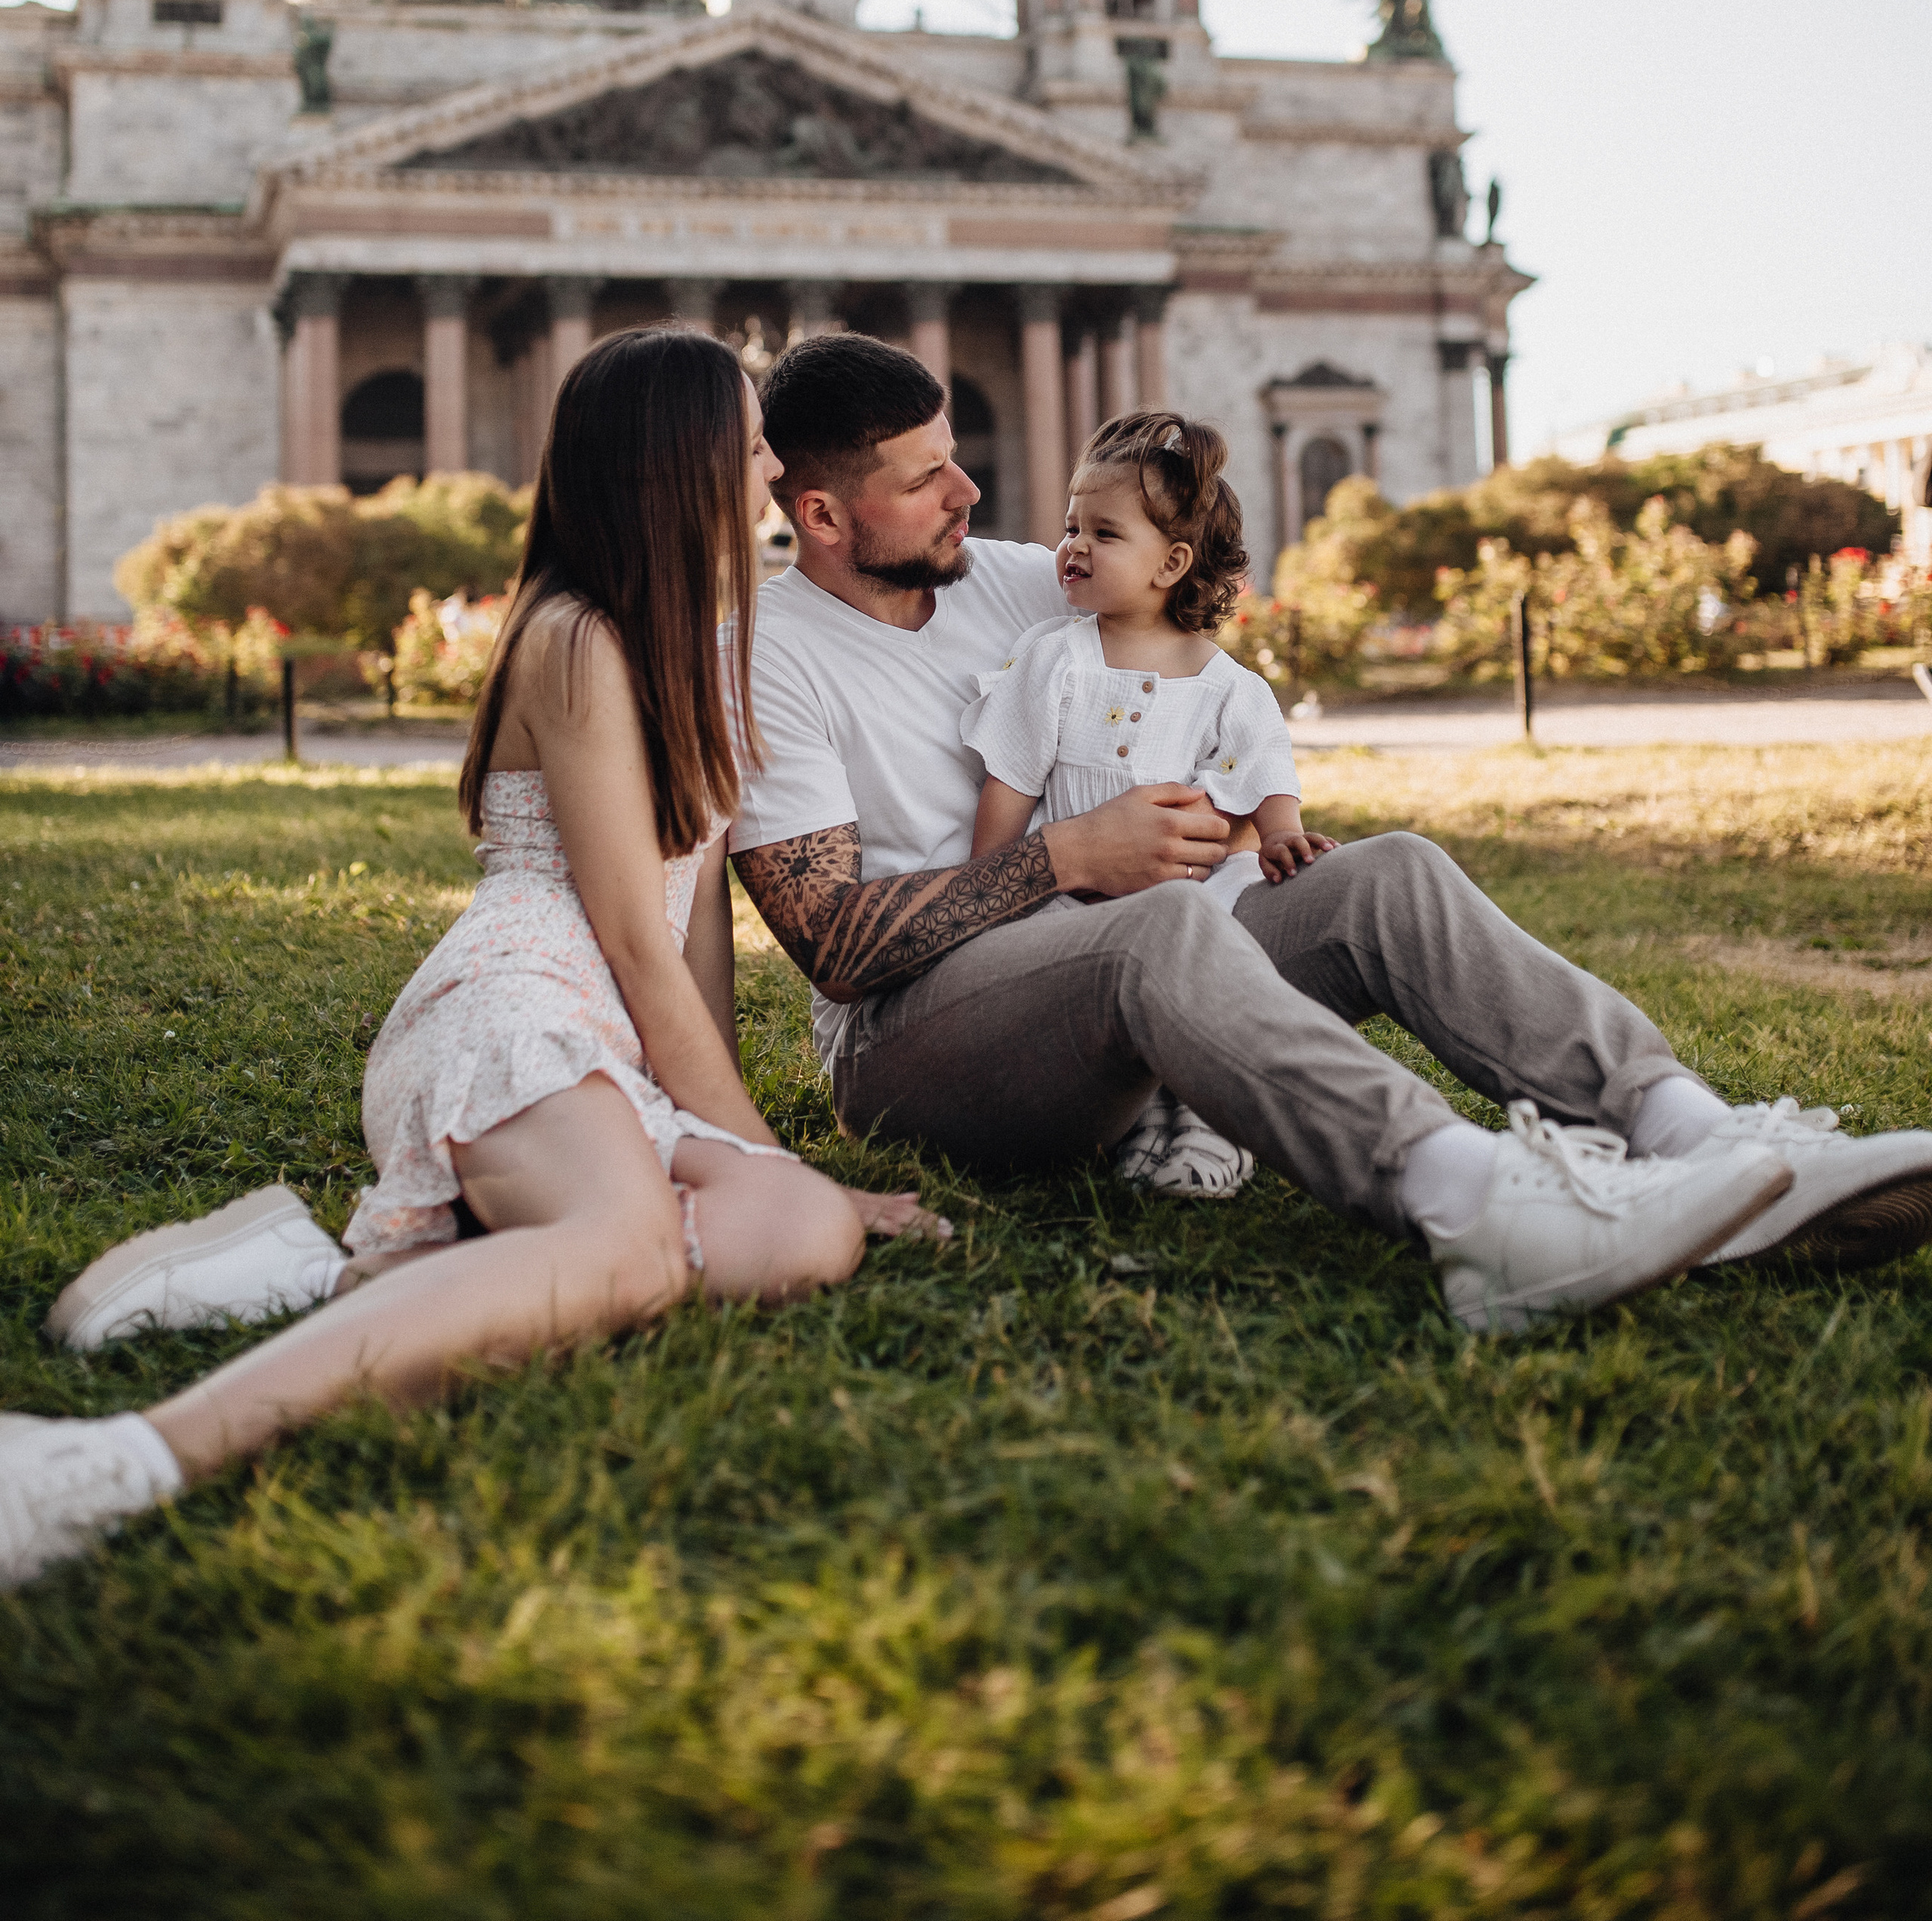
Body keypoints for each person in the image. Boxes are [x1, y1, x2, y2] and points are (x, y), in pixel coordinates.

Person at [728, 334, 1932, 1334]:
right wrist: (1068, 855)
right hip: (916, 1049)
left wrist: (1244, 815)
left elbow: (1185, 620)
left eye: (955, 456)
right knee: (1154, 928)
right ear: (822, 512)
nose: (968, 491)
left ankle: (1704, 1140)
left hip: (1117, 965)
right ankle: (1481, 1208)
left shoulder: (1010, 578)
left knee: (1386, 874)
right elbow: (836, 948)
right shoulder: (767, 658)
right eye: (925, 478)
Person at [3, 328, 932, 1590]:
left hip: (605, 1037)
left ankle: (347, 1272)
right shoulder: (576, 637)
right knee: (631, 1250)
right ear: (678, 459)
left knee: (800, 1231)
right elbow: (630, 939)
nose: (773, 467)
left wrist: (762, 1156)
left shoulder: (687, 647)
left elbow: (692, 931)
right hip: (515, 1004)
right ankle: (118, 1460)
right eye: (751, 442)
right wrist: (744, 1140)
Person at [964, 408, 1321, 1199]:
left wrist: (1282, 833)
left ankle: (1207, 1116)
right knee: (1103, 994)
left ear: (1172, 564)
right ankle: (1138, 1118)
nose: (1074, 546)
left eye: (1104, 533)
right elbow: (1012, 780)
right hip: (1074, 899)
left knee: (1224, 938)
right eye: (1071, 527)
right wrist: (991, 884)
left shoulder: (1227, 685)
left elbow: (1265, 766)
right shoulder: (1055, 661)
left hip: (1193, 893)